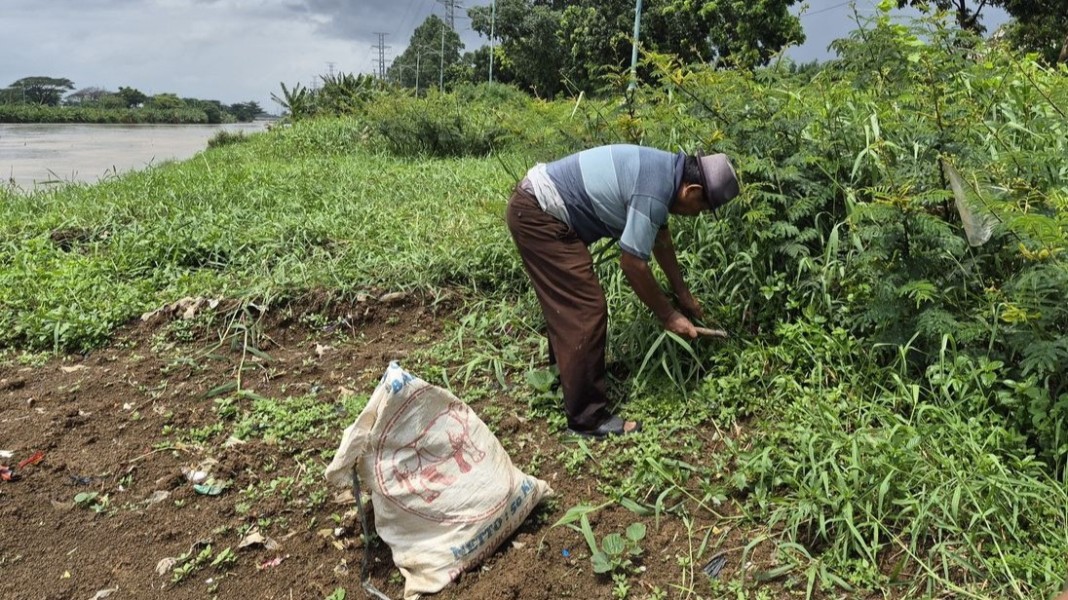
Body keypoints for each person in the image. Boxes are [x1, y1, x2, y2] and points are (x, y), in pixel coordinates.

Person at [506, 144, 740, 438]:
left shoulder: (664, 173)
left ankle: (562, 382)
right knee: (584, 307)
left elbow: (661, 242)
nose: (699, 215)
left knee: (571, 305)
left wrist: (684, 296)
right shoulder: (655, 188)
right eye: (703, 208)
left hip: (537, 208)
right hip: (538, 215)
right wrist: (668, 316)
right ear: (691, 191)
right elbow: (633, 265)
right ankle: (587, 420)